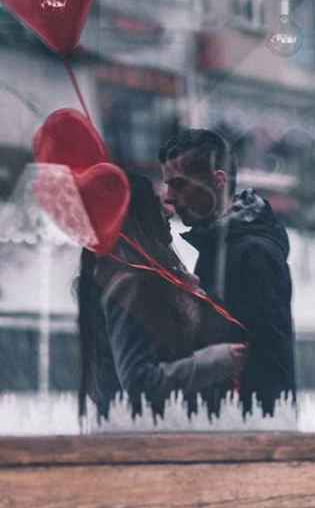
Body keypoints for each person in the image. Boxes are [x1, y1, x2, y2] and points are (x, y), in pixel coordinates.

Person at [78, 172, 246, 421]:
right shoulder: (131, 284)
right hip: (145, 441)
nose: (168, 212)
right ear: (138, 215)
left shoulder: (139, 275)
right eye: (157, 205)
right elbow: (139, 383)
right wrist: (218, 360)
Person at [159, 129, 296, 416]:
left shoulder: (251, 253)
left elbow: (267, 361)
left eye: (179, 185)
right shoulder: (219, 246)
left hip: (246, 435)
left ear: (217, 181)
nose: (169, 197)